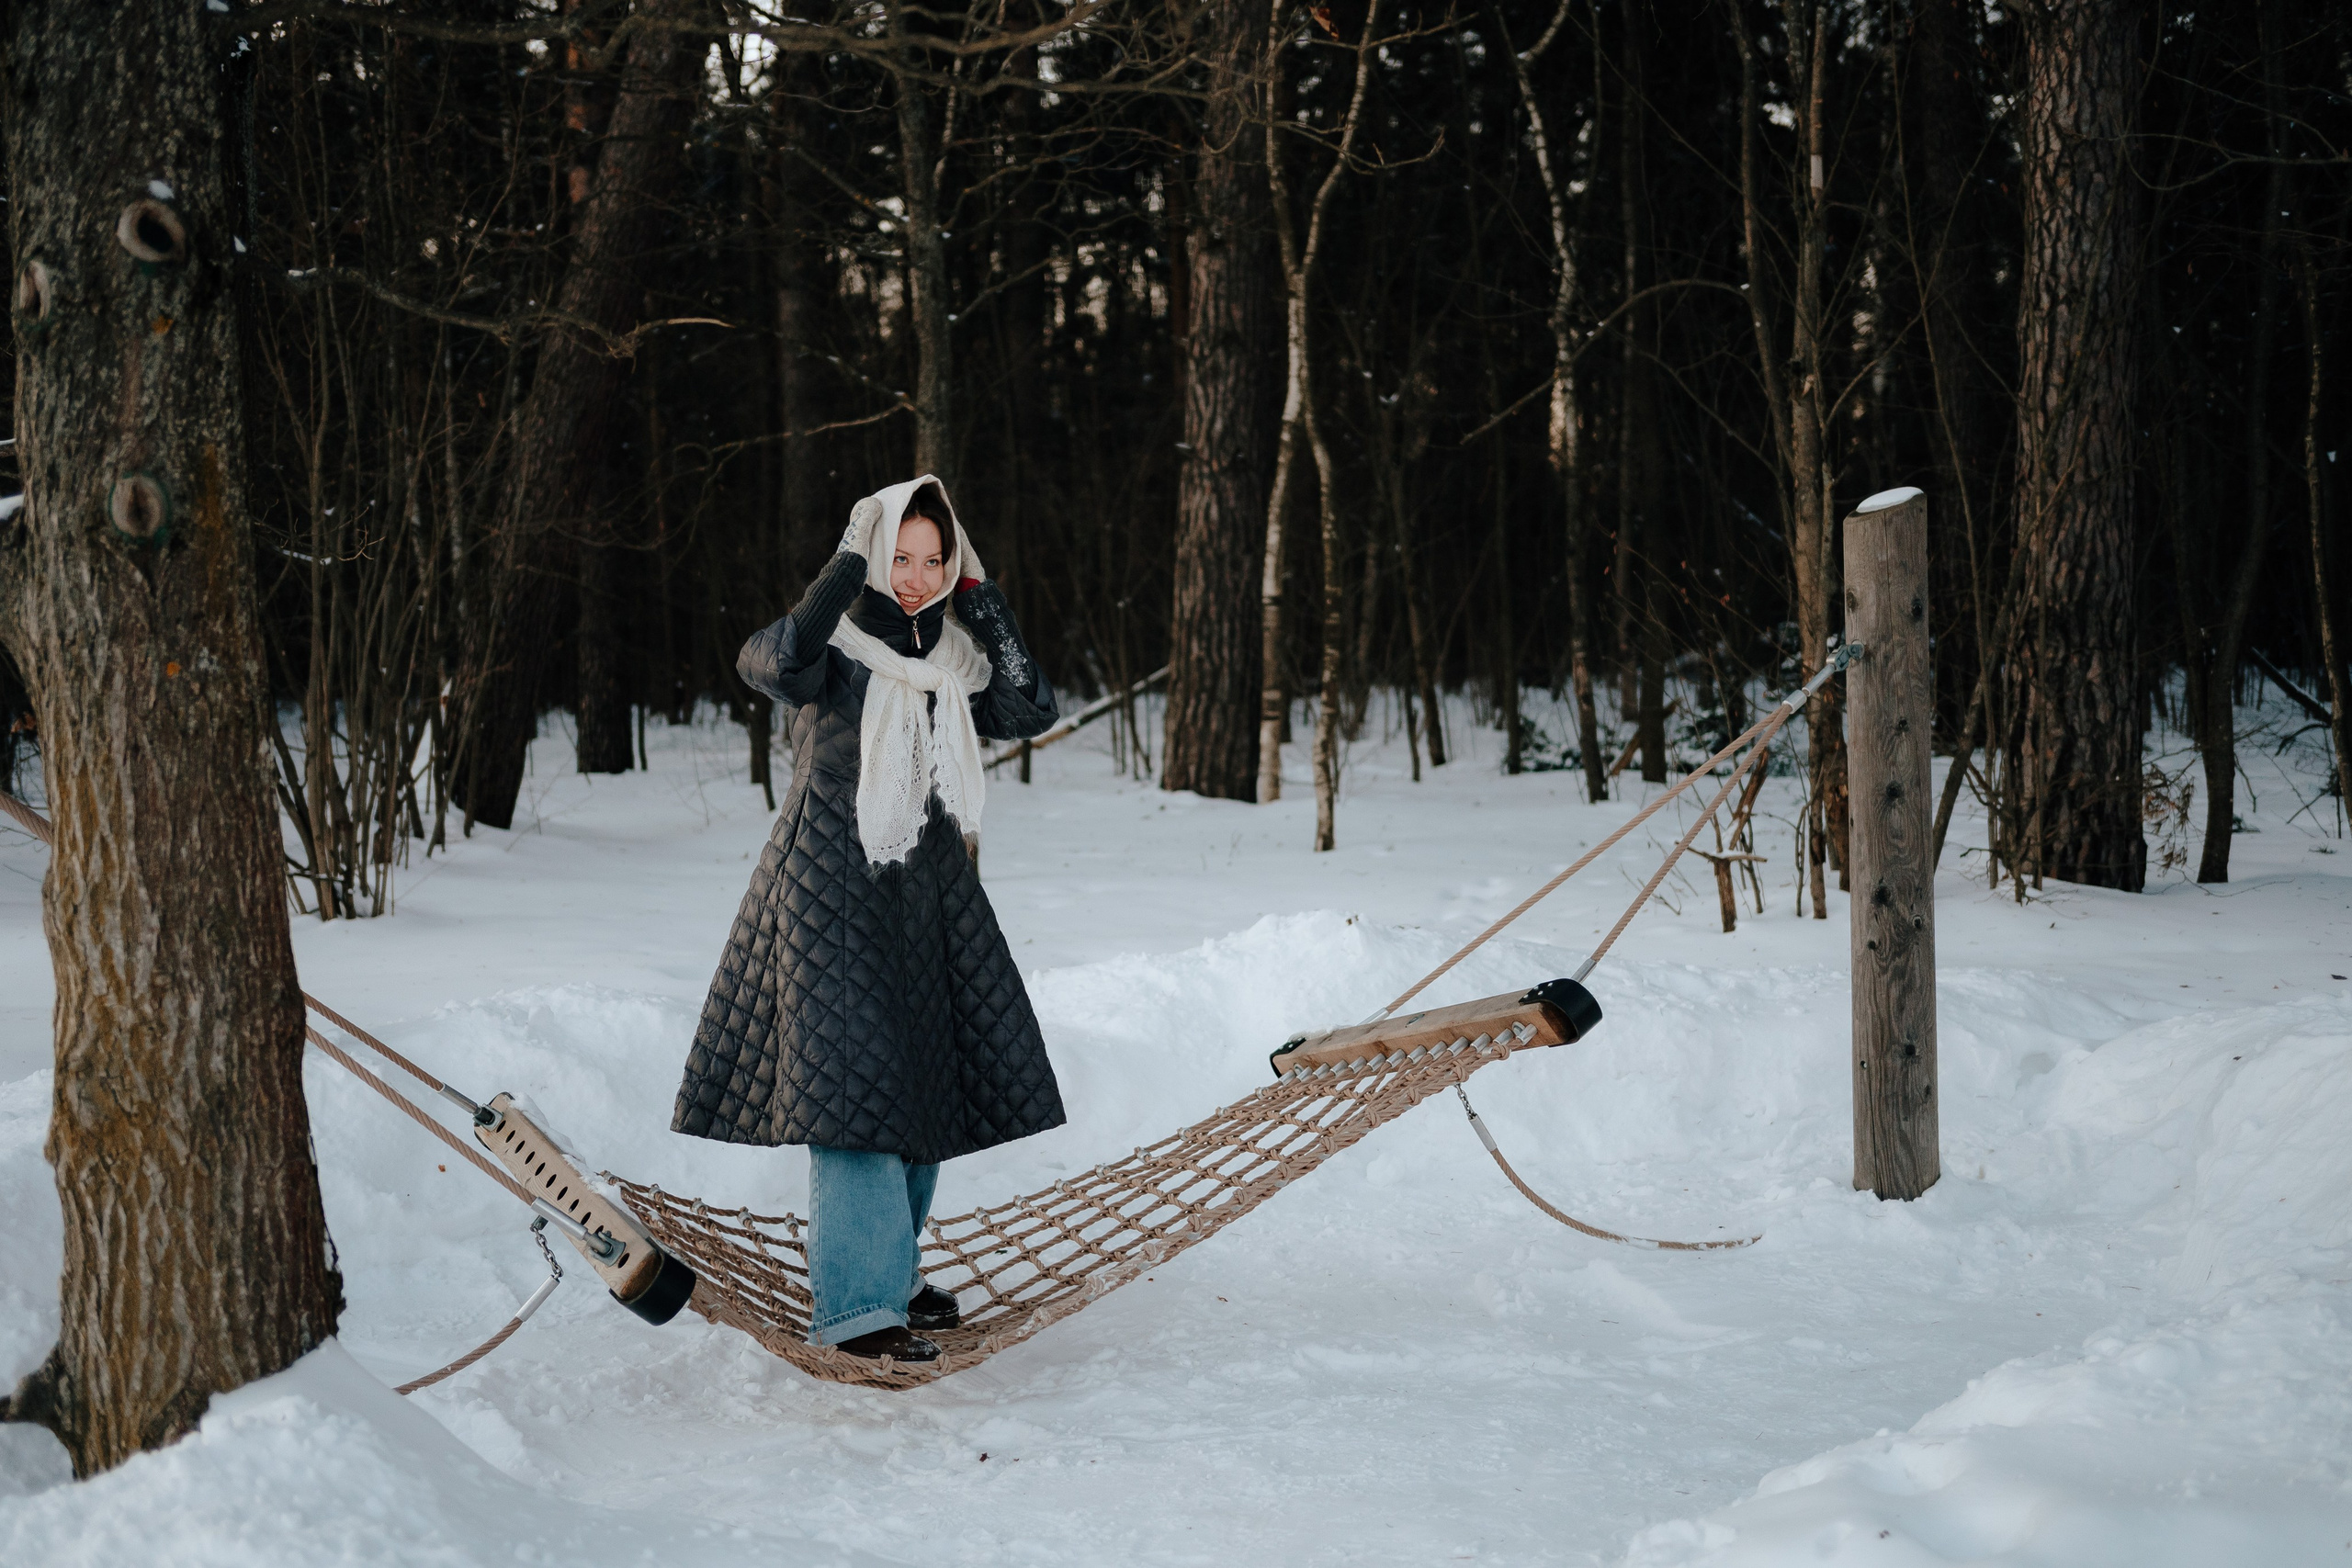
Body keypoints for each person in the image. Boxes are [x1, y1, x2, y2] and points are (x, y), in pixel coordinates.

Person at [671, 476, 1065, 1361]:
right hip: (829, 881)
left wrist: (984, 601)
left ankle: (890, 1274)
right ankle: (857, 1307)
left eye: (935, 560)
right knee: (853, 1088)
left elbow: (1027, 706)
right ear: (872, 555)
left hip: (925, 889)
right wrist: (845, 570)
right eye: (900, 557)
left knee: (919, 1076)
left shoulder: (953, 655)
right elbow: (769, 662)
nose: (917, 576)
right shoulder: (836, 643)